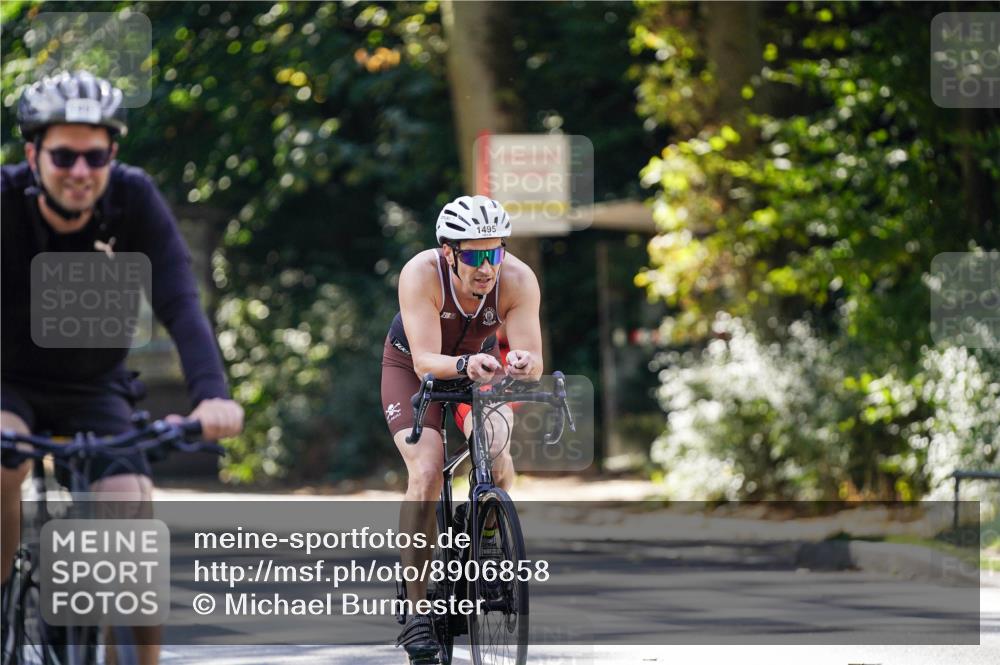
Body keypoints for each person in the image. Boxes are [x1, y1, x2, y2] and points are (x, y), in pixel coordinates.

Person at [0, 70, 244, 665]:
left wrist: (212, 394)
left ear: (112, 154)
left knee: (130, 516)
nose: (80, 171)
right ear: (33, 153)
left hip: (94, 387)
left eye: (95, 155)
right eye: (63, 155)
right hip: (6, 381)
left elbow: (180, 302)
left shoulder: (132, 198)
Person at [381, 195, 543, 660]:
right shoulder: (420, 274)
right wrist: (468, 361)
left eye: (493, 253)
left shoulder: (517, 279)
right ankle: (415, 613)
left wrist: (524, 361)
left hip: (481, 369)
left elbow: (532, 360)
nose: (485, 267)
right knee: (428, 470)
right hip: (415, 368)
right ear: (449, 251)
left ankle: (485, 541)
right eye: (473, 255)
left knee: (496, 443)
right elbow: (428, 360)